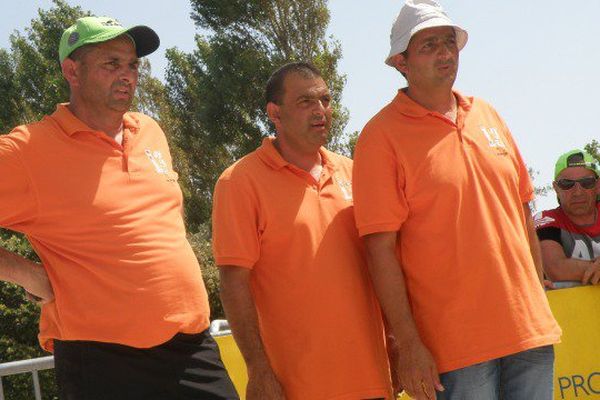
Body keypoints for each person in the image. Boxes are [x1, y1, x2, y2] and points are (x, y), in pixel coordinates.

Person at [0, 16, 238, 400]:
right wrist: (29, 276)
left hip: (191, 347)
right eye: (112, 64)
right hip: (102, 359)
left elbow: (159, 222)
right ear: (72, 71)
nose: (128, 75)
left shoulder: (149, 130)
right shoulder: (30, 150)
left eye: (133, 65)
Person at [352, 1, 562, 399]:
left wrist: (536, 295)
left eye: (450, 42)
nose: (446, 54)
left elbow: (522, 210)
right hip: (457, 348)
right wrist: (408, 343)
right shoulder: (380, 136)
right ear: (401, 60)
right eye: (429, 45)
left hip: (529, 332)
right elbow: (380, 249)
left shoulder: (487, 113)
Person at [212, 62, 393, 400]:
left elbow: (382, 263)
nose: (321, 111)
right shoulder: (239, 182)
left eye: (325, 99)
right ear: (274, 113)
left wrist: (397, 342)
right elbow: (233, 282)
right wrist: (258, 369)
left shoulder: (355, 172)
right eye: (306, 102)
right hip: (296, 387)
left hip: (372, 379)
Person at [535, 149, 600, 287]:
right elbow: (555, 269)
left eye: (587, 182)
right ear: (556, 188)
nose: (577, 192)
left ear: (598, 186)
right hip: (567, 306)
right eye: (567, 184)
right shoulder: (546, 219)